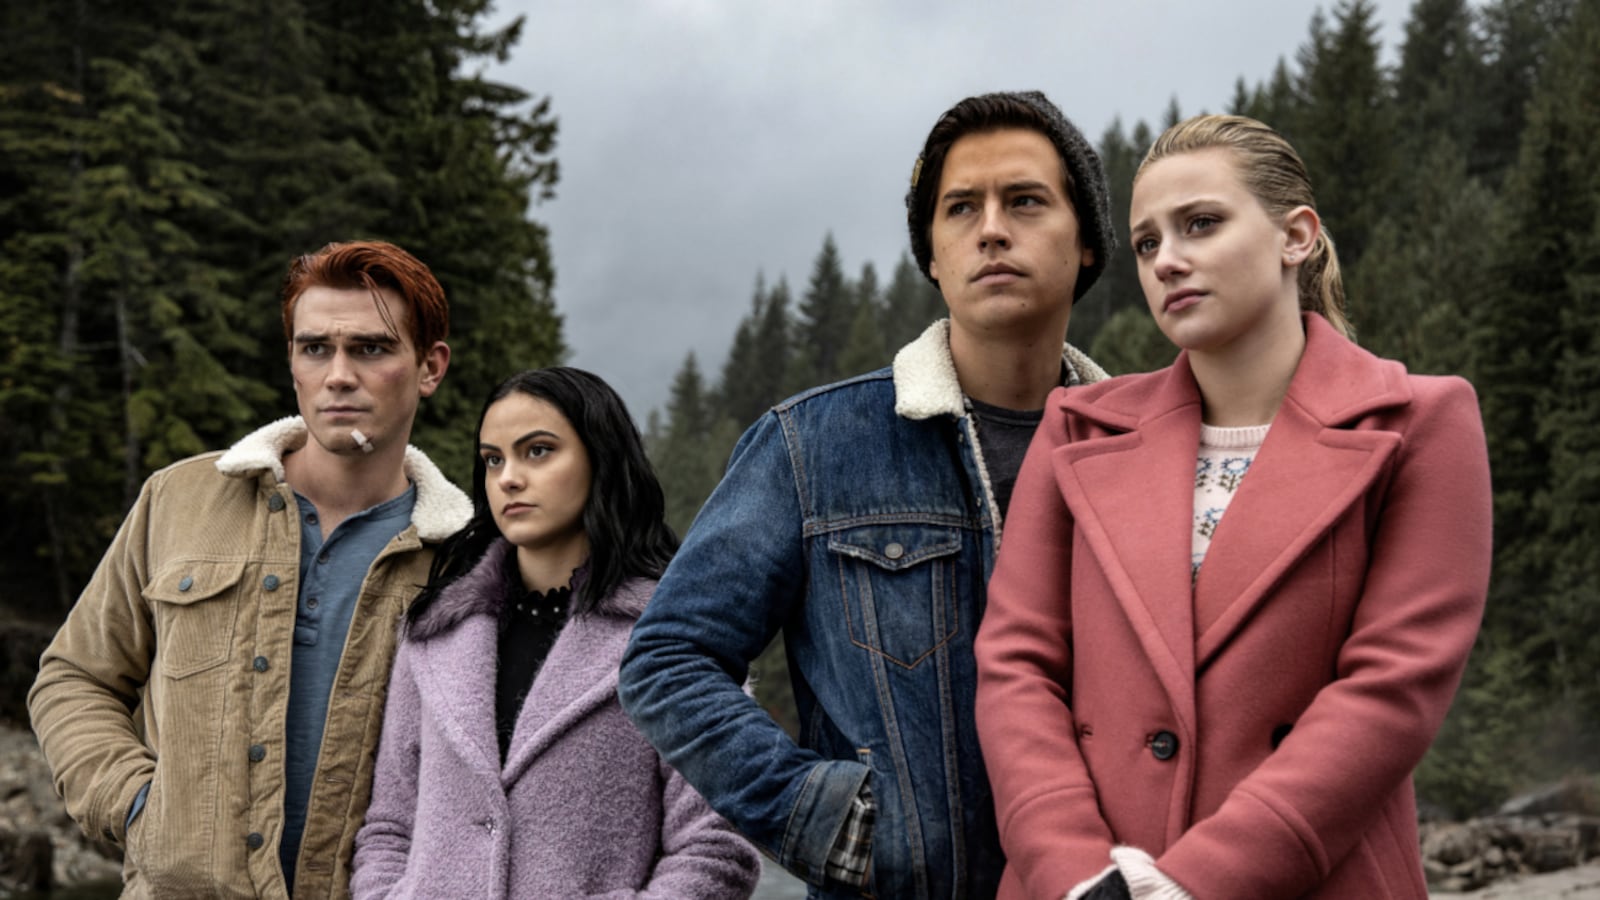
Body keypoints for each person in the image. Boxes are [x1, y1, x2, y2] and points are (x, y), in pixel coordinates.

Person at [974, 114, 1493, 900]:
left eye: (1202, 224)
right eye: (1146, 244)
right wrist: (1077, 876)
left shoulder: (1422, 423)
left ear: (1298, 237)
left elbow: (1392, 690)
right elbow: (1016, 668)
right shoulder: (1077, 426)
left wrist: (1198, 883)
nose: (1168, 261)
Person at [619, 90, 1117, 899]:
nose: (991, 228)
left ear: (1087, 242)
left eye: (1025, 200)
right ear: (931, 254)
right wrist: (830, 820)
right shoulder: (813, 447)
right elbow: (667, 658)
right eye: (961, 209)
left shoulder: (1144, 453)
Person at [28, 240, 470, 899]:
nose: (338, 374)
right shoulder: (179, 500)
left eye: (371, 349)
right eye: (315, 347)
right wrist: (136, 805)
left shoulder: (469, 558)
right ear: (292, 359)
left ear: (429, 367)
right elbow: (74, 677)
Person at [350, 367, 760, 898]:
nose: (509, 478)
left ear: (601, 458)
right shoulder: (433, 634)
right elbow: (388, 828)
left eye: (537, 451)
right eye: (493, 459)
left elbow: (717, 847)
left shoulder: (677, 639)